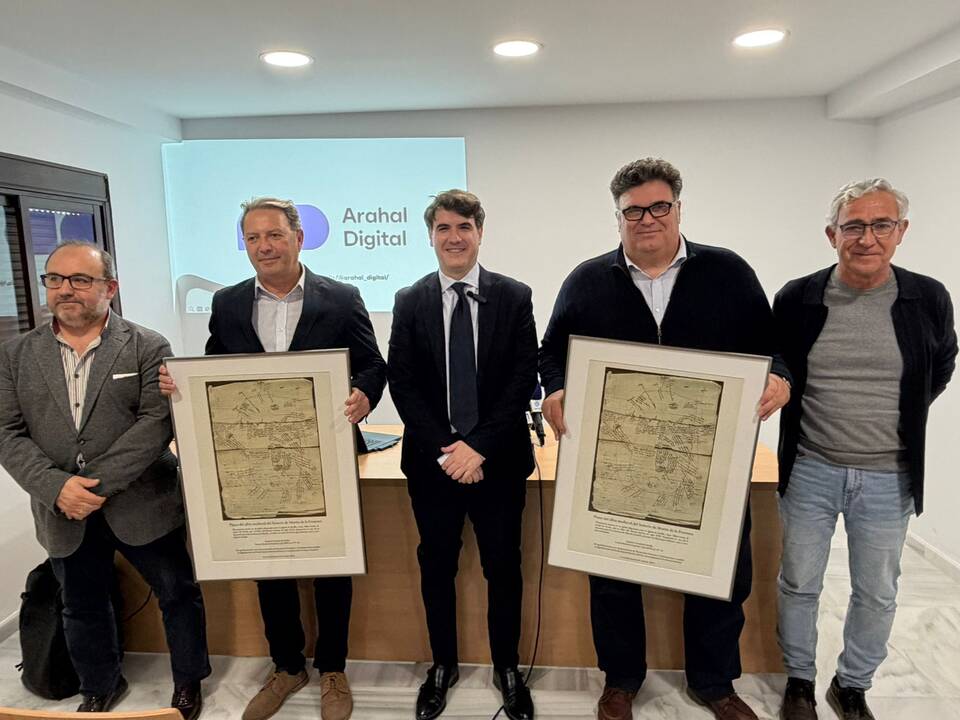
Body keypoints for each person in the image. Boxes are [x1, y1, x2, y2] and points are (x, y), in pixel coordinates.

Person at [538, 158, 791, 720]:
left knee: (719, 573)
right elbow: (551, 351)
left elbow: (772, 345)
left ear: (678, 208)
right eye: (633, 211)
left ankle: (715, 683)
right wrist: (555, 388)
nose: (647, 219)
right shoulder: (586, 280)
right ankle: (621, 681)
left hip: (711, 459)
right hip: (618, 458)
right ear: (618, 217)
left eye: (659, 207)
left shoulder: (728, 272)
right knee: (613, 574)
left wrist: (780, 377)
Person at [160, 197, 386, 720]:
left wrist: (364, 394)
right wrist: (182, 385)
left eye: (275, 235)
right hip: (255, 460)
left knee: (333, 564)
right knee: (269, 563)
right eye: (253, 237)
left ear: (298, 238)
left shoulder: (342, 297)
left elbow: (373, 364)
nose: (264, 246)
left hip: (326, 452)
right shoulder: (228, 303)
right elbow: (215, 370)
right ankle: (287, 666)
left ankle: (332, 668)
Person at [0, 242, 209, 718]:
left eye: (80, 280)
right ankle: (99, 684)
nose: (65, 290)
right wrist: (57, 488)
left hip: (142, 503)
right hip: (62, 509)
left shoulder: (147, 345)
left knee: (177, 594)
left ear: (109, 288)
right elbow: (7, 433)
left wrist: (90, 486)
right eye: (55, 279)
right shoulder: (15, 355)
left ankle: (188, 681)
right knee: (80, 603)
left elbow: (156, 423)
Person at [774, 179, 956, 720]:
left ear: (901, 231)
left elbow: (941, 365)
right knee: (798, 583)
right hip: (810, 466)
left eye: (881, 225)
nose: (867, 238)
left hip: (888, 475)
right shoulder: (797, 297)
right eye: (853, 225)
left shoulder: (928, 298)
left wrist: (900, 415)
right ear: (832, 235)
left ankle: (851, 685)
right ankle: (799, 681)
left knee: (876, 591)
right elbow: (779, 365)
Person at [387, 190, 537, 720]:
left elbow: (521, 379)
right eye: (444, 228)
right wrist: (449, 451)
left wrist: (478, 448)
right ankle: (443, 666)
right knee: (436, 566)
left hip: (497, 462)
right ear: (431, 236)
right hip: (434, 465)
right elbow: (403, 382)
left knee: (504, 567)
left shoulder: (514, 297)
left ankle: (507, 668)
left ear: (480, 233)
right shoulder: (410, 300)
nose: (454, 237)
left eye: (464, 227)